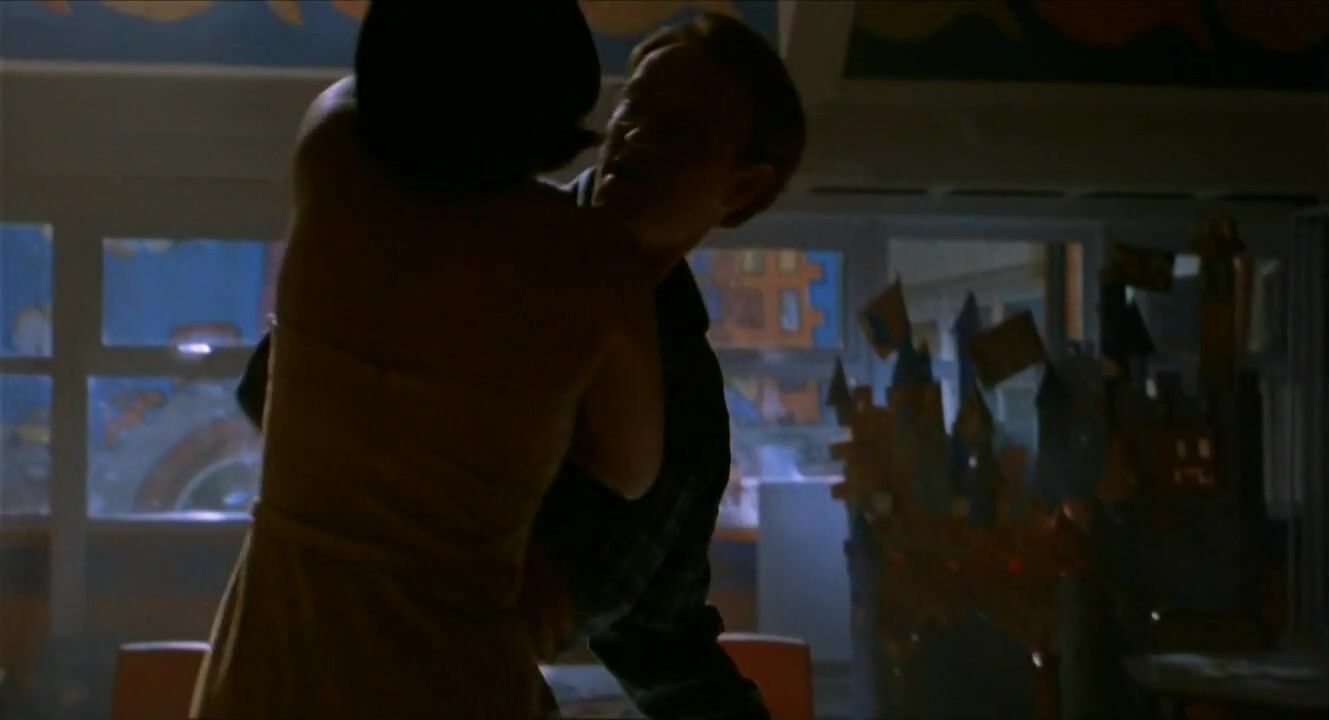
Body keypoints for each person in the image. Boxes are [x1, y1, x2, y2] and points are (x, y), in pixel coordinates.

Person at [235, 12, 807, 720]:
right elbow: (273, 384)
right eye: (632, 106)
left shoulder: (681, 396)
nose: (635, 136)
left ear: (742, 187)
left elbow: (650, 631)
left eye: (682, 129)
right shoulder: (470, 226)